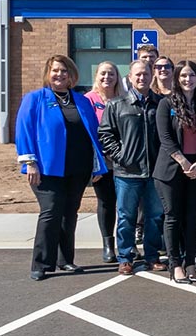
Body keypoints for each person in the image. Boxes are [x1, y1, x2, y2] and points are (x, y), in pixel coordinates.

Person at [16, 55, 108, 281]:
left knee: (69, 214)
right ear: (48, 73)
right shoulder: (35, 98)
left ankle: (65, 260)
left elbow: (93, 135)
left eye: (64, 71)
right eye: (55, 70)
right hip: (46, 169)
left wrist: (97, 167)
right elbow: (24, 130)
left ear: (71, 75)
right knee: (51, 212)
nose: (60, 74)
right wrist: (30, 162)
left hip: (77, 168)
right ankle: (41, 263)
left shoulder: (81, 101)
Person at [98, 60, 167, 275]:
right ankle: (126, 257)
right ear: (129, 77)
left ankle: (152, 255)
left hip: (155, 171)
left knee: (154, 217)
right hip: (127, 172)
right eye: (137, 75)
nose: (142, 78)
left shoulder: (162, 104)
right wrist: (121, 156)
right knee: (126, 216)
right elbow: (105, 134)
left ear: (152, 76)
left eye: (146, 74)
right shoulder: (117, 105)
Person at [154, 61, 196, 284]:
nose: (188, 80)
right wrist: (183, 162)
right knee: (173, 217)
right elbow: (166, 138)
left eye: (192, 76)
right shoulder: (166, 104)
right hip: (171, 171)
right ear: (177, 79)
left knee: (194, 218)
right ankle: (175, 264)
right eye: (184, 76)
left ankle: (190, 264)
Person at [85, 61, 123, 263]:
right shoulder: (88, 100)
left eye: (111, 74)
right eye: (103, 74)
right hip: (101, 163)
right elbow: (87, 132)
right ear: (96, 77)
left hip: (123, 161)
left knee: (126, 204)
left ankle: (127, 244)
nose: (107, 77)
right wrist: (98, 160)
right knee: (107, 203)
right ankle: (108, 245)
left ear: (117, 77)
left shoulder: (123, 99)